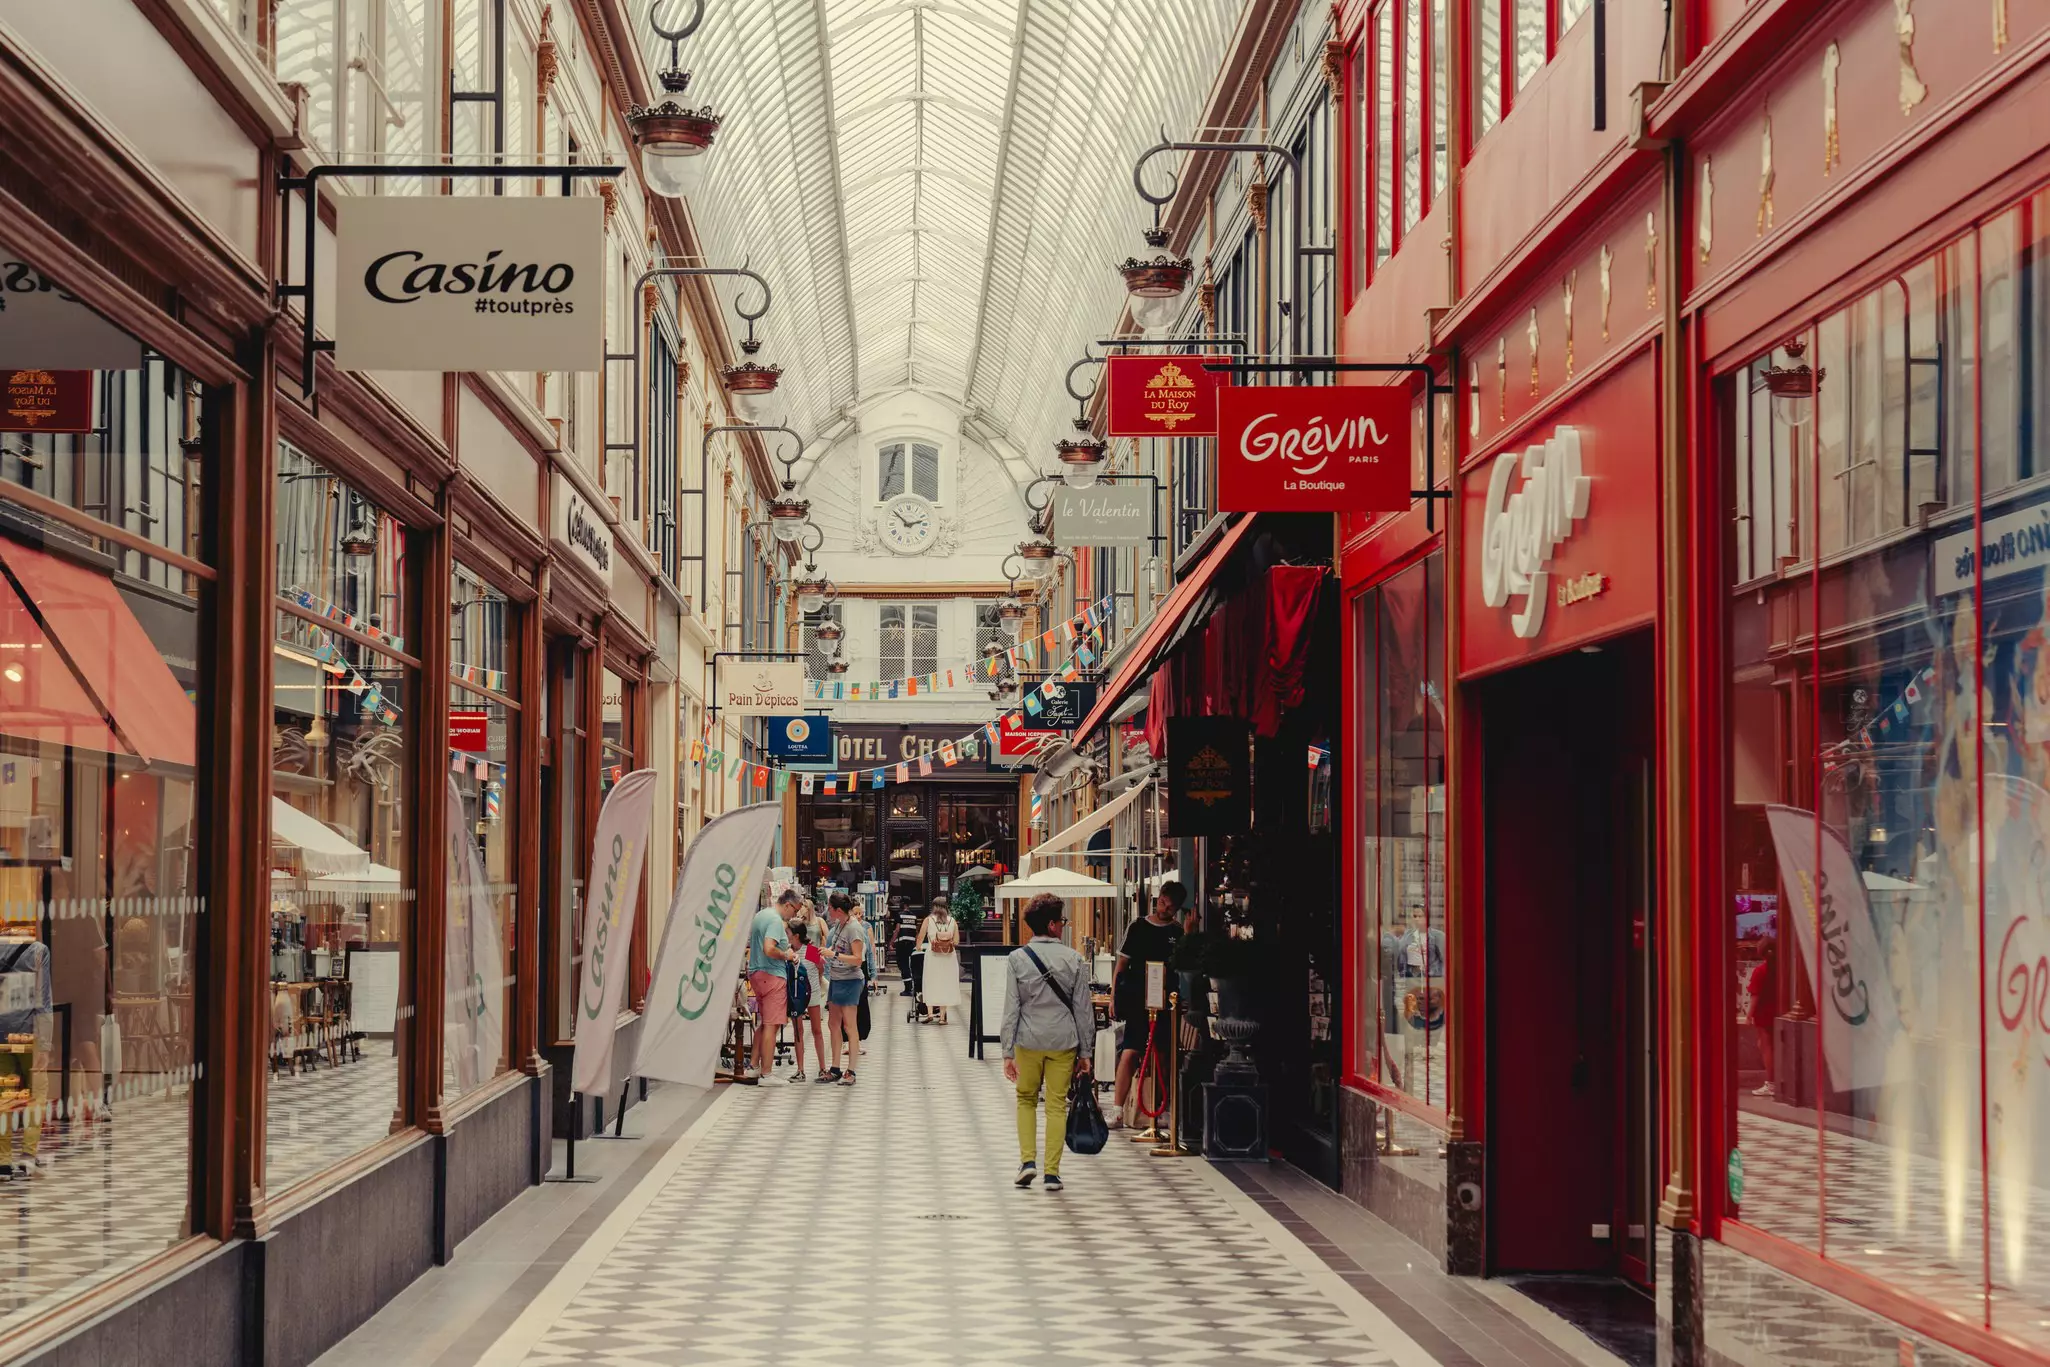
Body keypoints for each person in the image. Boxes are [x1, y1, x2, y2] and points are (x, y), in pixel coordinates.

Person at [1002, 893, 1094, 1192]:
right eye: (1063, 921)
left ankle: (1028, 1161)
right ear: (1053, 925)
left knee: (1026, 1099)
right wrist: (1086, 1051)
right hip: (1063, 1041)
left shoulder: (1017, 959)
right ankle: (1052, 1173)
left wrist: (1007, 1050)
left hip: (1028, 1040)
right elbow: (1083, 1008)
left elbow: (1011, 1006)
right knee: (1056, 1105)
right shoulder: (1074, 959)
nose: (1064, 926)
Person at [1112, 881, 1184, 1126]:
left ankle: (1162, 1109)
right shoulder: (1138, 926)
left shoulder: (1178, 932)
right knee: (1130, 1051)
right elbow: (1121, 966)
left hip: (1166, 1002)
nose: (1165, 909)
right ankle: (1117, 1109)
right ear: (1159, 898)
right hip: (1136, 999)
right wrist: (1114, 998)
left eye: (1171, 907)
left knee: (1163, 1055)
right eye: (1163, 903)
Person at [746, 888, 801, 1080]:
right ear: (787, 905)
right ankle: (767, 1073)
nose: (794, 915)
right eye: (795, 910)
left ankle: (753, 1065)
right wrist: (786, 954)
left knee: (764, 1023)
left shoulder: (762, 915)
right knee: (772, 1024)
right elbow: (769, 948)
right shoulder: (776, 921)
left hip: (757, 973)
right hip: (771, 975)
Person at [820, 892, 871, 1086]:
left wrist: (835, 954)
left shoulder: (854, 929)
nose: (828, 911)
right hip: (836, 978)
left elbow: (858, 959)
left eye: (830, 908)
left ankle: (851, 1071)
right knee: (833, 1023)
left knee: (850, 1026)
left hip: (850, 980)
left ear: (838, 910)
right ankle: (835, 1068)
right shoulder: (839, 925)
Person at [785, 910, 828, 1083]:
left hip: (812, 992)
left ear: (796, 936)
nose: (786, 936)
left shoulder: (810, 950)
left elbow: (820, 967)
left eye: (788, 933)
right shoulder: (788, 952)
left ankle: (822, 1067)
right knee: (798, 1031)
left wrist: (814, 980)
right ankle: (800, 1069)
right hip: (797, 994)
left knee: (816, 1030)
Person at [912, 896, 962, 1025]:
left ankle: (929, 1013)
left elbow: (920, 937)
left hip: (932, 955)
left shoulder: (928, 920)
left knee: (931, 982)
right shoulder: (953, 921)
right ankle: (942, 1017)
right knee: (945, 984)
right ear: (946, 907)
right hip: (948, 957)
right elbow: (956, 941)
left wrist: (918, 948)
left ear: (933, 907)